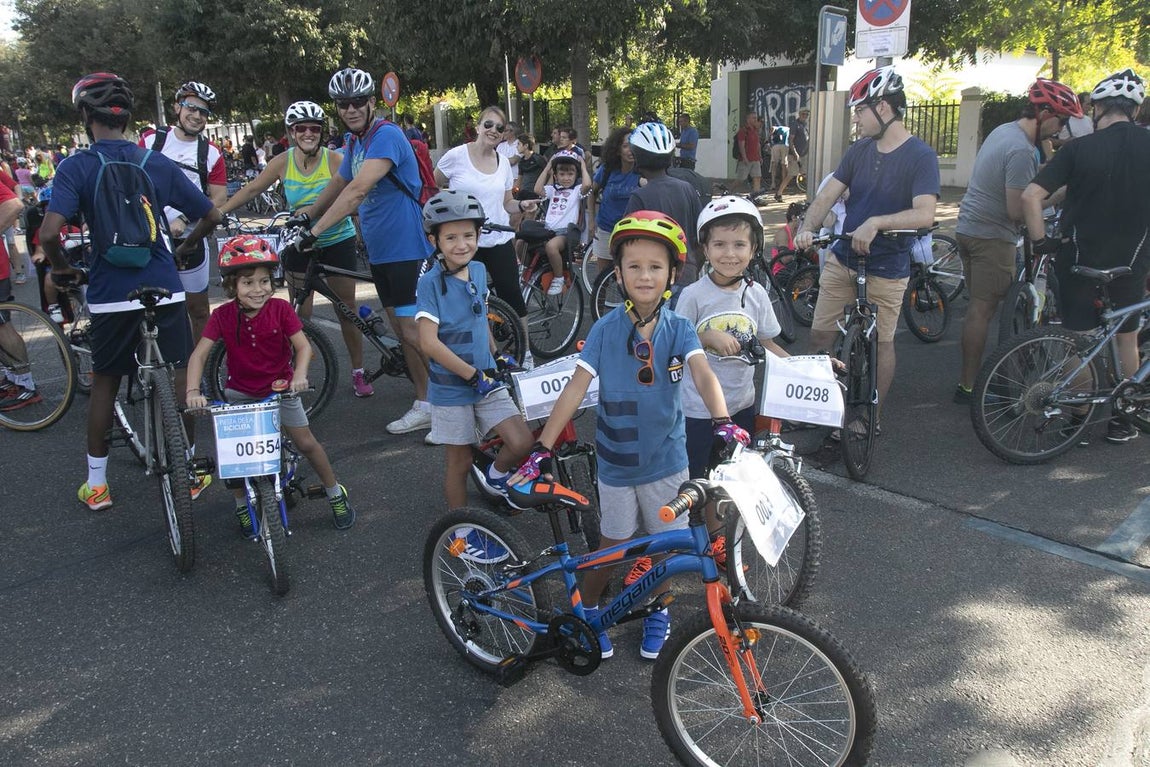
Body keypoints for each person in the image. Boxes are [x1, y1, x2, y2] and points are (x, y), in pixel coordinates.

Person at [508, 211, 749, 660]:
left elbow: (702, 374)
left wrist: (722, 421)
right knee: (612, 548)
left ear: (672, 274)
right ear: (617, 273)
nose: (644, 276)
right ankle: (590, 612)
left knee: (663, 546)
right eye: (634, 266)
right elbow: (575, 388)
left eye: (655, 267)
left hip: (667, 462)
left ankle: (657, 607)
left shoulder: (678, 328)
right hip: (617, 465)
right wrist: (542, 447)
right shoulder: (604, 329)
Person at [39, 72, 222, 511]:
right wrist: (184, 247)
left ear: (86, 115)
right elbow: (211, 214)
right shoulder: (155, 163)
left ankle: (97, 485)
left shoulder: (76, 166)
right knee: (181, 377)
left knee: (105, 383)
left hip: (109, 291)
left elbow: (48, 234)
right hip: (164, 285)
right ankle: (191, 469)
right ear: (126, 117)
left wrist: (65, 269)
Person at [290, 67, 434, 435]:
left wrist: (316, 232)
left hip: (404, 245)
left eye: (357, 102)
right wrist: (306, 217)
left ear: (372, 102)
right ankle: (427, 400)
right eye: (343, 104)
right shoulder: (356, 141)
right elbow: (338, 184)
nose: (351, 109)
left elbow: (356, 191)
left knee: (411, 330)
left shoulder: (385, 136)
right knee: (403, 331)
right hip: (381, 249)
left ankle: (447, 398)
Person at [794, 66, 939, 432]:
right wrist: (806, 229)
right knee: (820, 337)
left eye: (860, 110)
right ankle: (821, 406)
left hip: (888, 266)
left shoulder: (920, 156)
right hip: (844, 260)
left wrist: (876, 223)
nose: (856, 118)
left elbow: (925, 214)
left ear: (884, 109)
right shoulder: (858, 151)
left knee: (882, 343)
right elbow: (826, 196)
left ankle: (870, 416)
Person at [184, 236, 356, 531]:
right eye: (248, 283)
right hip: (239, 393)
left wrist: (299, 375)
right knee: (233, 457)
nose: (258, 289)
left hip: (281, 389)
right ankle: (241, 504)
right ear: (231, 286)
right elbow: (199, 355)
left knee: (305, 442)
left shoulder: (281, 310)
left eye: (264, 281)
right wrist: (192, 391)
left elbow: (303, 348)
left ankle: (333, 491)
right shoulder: (223, 316)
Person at [1021, 69, 1150, 444]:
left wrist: (1042, 241)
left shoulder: (1078, 149)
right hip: (1131, 261)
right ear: (1136, 110)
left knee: (1076, 339)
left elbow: (1031, 196)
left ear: (1096, 109)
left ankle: (1078, 410)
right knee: (1127, 338)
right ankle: (1123, 419)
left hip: (1078, 259)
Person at [222, 101, 370, 398]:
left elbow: (355, 195)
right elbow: (252, 189)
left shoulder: (335, 160)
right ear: (290, 132)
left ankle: (358, 371)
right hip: (299, 242)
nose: (307, 133)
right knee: (299, 314)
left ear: (321, 131)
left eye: (313, 128)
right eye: (300, 128)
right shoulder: (282, 161)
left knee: (346, 309)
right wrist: (220, 210)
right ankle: (294, 373)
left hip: (336, 240)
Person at [953, 78, 1081, 404]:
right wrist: (1056, 196)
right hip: (992, 237)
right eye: (1061, 120)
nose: (1060, 129)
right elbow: (1016, 210)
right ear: (1044, 113)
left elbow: (1024, 176)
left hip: (968, 229)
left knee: (977, 309)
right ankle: (969, 388)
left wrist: (1050, 171)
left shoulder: (1005, 131)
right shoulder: (1021, 149)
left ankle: (971, 382)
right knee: (981, 312)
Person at [415, 190, 533, 515]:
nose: (461, 244)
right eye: (450, 237)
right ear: (434, 240)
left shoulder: (478, 270)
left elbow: (479, 317)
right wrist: (471, 375)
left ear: (479, 235)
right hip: (452, 388)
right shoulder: (430, 283)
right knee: (460, 461)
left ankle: (495, 475)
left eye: (468, 235)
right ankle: (461, 528)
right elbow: (428, 342)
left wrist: (496, 356)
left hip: (486, 379)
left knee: (521, 441)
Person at [679, 196, 788, 481]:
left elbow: (768, 343)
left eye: (739, 245)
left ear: (754, 249)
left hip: (741, 404)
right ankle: (698, 524)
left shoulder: (757, 295)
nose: (730, 254)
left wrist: (811, 369)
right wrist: (705, 337)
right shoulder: (693, 296)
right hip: (698, 409)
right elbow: (674, 344)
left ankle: (720, 525)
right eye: (719, 245)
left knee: (734, 477)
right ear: (705, 248)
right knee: (697, 478)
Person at [435, 105, 538, 363]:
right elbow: (433, 185)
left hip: (497, 238)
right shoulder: (456, 156)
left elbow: (506, 204)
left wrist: (522, 205)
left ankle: (525, 352)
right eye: (489, 125)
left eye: (500, 128)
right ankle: (486, 355)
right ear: (479, 127)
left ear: (504, 134)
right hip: (465, 241)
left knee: (511, 295)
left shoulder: (503, 162)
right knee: (469, 299)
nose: (493, 131)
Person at [139, 81, 228, 342]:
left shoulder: (211, 153)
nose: (197, 116)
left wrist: (185, 216)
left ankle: (200, 368)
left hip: (191, 239)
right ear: (177, 107)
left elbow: (219, 197)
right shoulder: (151, 140)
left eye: (204, 112)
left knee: (199, 309)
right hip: (151, 237)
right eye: (191, 107)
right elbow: (135, 184)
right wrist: (168, 215)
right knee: (154, 308)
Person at [625, 121, 703, 286]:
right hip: (687, 274)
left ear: (639, 158)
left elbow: (628, 243)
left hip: (655, 279)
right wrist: (694, 267)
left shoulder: (639, 197)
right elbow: (701, 237)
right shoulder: (687, 188)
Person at [533, 149, 591, 296]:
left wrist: (583, 166)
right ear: (556, 175)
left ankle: (559, 278)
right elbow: (537, 189)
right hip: (549, 230)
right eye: (562, 174)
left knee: (551, 247)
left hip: (566, 233)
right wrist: (547, 168)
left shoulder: (577, 190)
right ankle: (530, 271)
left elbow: (587, 185)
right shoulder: (553, 189)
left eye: (570, 174)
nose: (566, 178)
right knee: (522, 240)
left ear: (576, 175)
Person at [589, 126, 642, 278]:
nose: (630, 150)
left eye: (633, 145)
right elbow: (591, 193)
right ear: (618, 150)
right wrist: (591, 221)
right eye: (625, 146)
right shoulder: (607, 170)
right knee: (603, 278)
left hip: (632, 232)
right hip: (607, 229)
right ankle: (600, 303)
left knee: (631, 276)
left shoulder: (643, 171)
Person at [734, 112, 763, 193]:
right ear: (748, 119)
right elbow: (741, 145)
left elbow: (757, 145)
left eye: (756, 118)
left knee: (757, 177)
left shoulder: (755, 130)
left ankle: (756, 195)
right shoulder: (743, 131)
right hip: (746, 160)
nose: (755, 120)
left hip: (755, 159)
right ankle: (729, 191)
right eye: (753, 118)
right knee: (741, 179)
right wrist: (744, 158)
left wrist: (760, 156)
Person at [514, 133, 545, 201]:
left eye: (518, 144)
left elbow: (549, 173)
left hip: (535, 194)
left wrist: (544, 191)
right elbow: (519, 180)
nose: (516, 147)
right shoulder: (521, 161)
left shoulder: (538, 159)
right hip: (523, 193)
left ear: (526, 146)